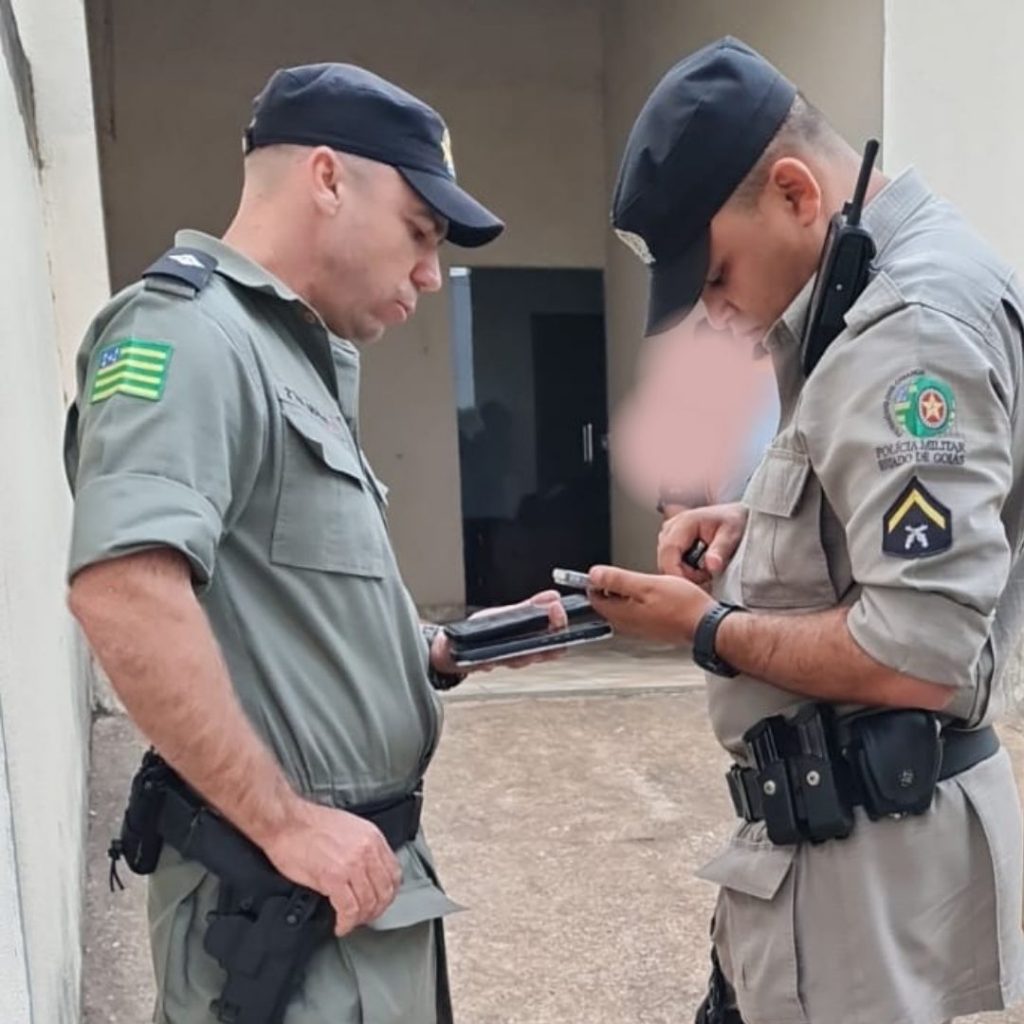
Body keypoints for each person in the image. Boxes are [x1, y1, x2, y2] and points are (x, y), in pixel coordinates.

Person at [64, 63, 567, 1024]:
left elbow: (275, 597)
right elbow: (123, 586)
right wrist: (284, 823)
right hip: (273, 910)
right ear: (328, 180)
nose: (432, 272)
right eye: (421, 234)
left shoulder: (289, 356)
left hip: (351, 902)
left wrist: (427, 650)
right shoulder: (189, 334)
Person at [590, 36, 1024, 1024]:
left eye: (715, 277)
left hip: (866, 874)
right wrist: (758, 522)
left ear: (792, 192)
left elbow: (917, 652)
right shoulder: (858, 305)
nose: (716, 314)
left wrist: (701, 627)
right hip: (828, 858)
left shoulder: (907, 332)